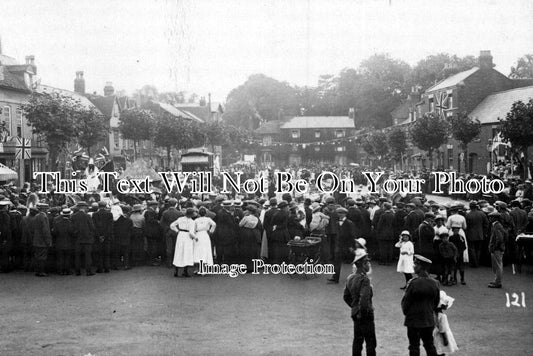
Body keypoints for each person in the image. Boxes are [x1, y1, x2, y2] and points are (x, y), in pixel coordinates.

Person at [401, 254, 440, 356]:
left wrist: (407, 313)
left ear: (421, 266)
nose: (413, 266)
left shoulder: (413, 283)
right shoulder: (435, 283)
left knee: (414, 346)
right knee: (429, 345)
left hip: (413, 320)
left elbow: (406, 303)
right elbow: (436, 302)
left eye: (415, 264)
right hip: (428, 320)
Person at [343, 249, 376, 356]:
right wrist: (362, 312)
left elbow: (346, 296)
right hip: (365, 315)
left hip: (355, 313)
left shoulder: (350, 278)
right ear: (363, 264)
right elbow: (364, 300)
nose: (369, 265)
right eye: (367, 262)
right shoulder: (364, 280)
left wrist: (354, 307)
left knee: (357, 341)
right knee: (370, 343)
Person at [329, 207, 356, 284]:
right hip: (339, 245)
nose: (339, 215)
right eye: (338, 213)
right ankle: (335, 278)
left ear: (344, 214)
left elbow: (352, 235)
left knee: (353, 262)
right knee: (337, 262)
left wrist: (351, 246)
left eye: (340, 213)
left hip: (347, 245)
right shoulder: (337, 223)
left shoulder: (349, 223)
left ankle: (354, 278)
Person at [71, 201, 96, 276]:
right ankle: (88, 271)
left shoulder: (73, 216)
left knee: (77, 256)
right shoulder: (87, 216)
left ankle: (77, 271)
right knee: (88, 256)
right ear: (84, 207)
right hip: (87, 239)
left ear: (78, 207)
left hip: (77, 239)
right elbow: (92, 227)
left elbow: (72, 227)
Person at [171, 208, 196, 277]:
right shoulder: (192, 222)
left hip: (181, 235)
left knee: (179, 251)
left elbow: (172, 225)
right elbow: (191, 232)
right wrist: (195, 238)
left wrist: (177, 231)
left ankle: (176, 271)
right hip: (187, 236)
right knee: (187, 252)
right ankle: (185, 271)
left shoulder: (180, 219)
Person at [433, 291, 459, 356]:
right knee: (443, 351)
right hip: (442, 336)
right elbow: (443, 329)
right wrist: (445, 339)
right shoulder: (442, 316)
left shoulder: (433, 313)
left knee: (437, 350)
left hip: (435, 336)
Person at [465, 201, 489, 268]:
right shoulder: (482, 214)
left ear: (470, 207)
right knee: (478, 249)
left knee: (472, 248)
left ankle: (474, 263)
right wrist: (484, 232)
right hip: (480, 234)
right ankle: (477, 262)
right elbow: (486, 224)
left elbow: (466, 226)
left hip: (471, 234)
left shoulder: (468, 215)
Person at [52, 208, 75, 275]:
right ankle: (67, 270)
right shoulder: (70, 223)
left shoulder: (57, 223)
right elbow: (72, 233)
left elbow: (54, 233)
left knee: (60, 258)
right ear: (69, 215)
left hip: (59, 243)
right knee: (67, 258)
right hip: (68, 243)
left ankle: (60, 271)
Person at [92, 201, 114, 273]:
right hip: (107, 237)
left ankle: (100, 268)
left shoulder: (95, 214)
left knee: (99, 253)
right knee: (106, 253)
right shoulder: (109, 214)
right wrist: (105, 236)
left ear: (98, 206)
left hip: (98, 237)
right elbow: (110, 227)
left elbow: (94, 227)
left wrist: (99, 236)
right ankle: (107, 267)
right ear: (105, 206)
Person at [193, 207, 216, 273]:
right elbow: (214, 224)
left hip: (198, 235)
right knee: (204, 251)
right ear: (205, 213)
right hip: (205, 235)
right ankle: (202, 268)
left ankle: (197, 268)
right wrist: (211, 231)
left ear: (199, 213)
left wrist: (194, 234)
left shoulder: (196, 220)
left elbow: (193, 229)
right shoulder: (208, 219)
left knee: (197, 251)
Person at [32, 203, 52, 277]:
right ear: (44, 209)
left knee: (37, 256)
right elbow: (45, 230)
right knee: (43, 257)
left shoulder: (36, 216)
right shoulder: (44, 217)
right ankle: (42, 271)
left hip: (36, 240)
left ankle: (37, 271)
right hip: (42, 241)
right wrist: (48, 241)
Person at [488, 211, 506, 288]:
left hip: (497, 249)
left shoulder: (497, 226)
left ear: (494, 218)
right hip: (498, 248)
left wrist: (494, 247)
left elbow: (499, 238)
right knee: (497, 265)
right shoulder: (498, 225)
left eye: (491, 217)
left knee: (498, 266)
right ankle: (496, 280)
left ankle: (498, 282)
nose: (490, 218)